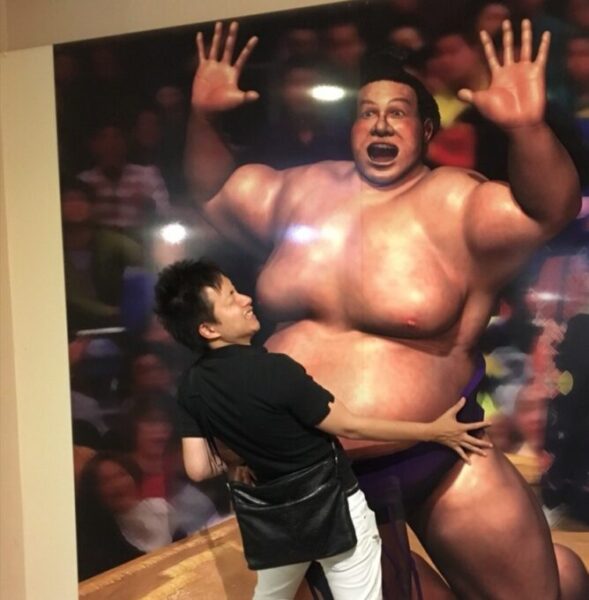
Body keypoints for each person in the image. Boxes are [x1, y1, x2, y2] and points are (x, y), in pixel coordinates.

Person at [184, 19, 588, 599]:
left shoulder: (456, 202)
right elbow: (213, 190)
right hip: (304, 479)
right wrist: (204, 119)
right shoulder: (299, 192)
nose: (380, 123)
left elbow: (547, 209)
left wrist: (527, 129)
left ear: (426, 130)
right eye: (367, 112)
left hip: (440, 456)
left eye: (397, 113)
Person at [153, 259, 492, 600]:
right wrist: (434, 431)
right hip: (334, 508)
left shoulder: (191, 386)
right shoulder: (275, 369)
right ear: (208, 329)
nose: (246, 299)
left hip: (274, 520)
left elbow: (198, 468)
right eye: (231, 298)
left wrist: (239, 458)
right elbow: (350, 426)